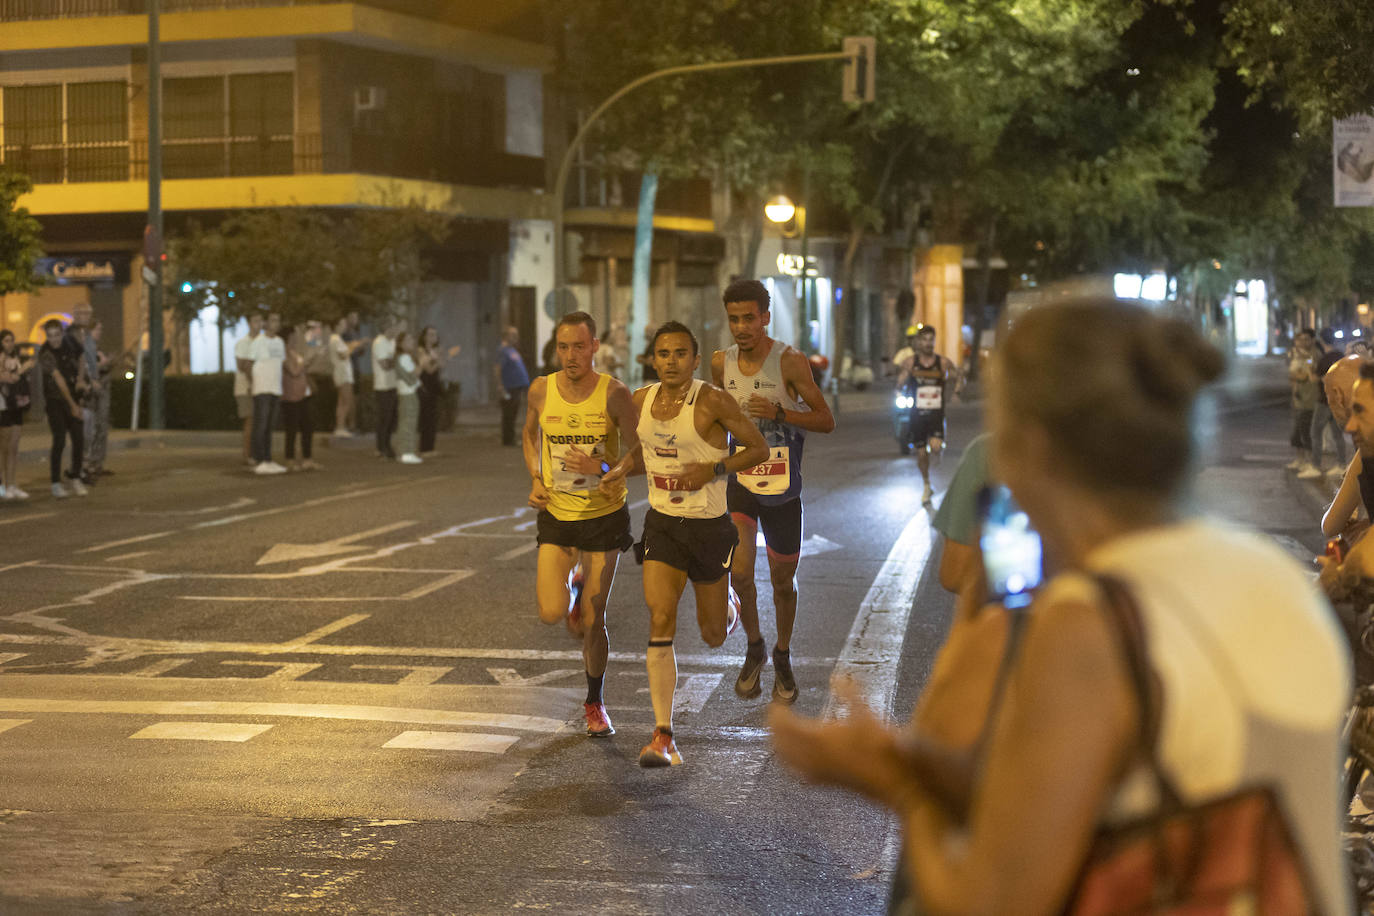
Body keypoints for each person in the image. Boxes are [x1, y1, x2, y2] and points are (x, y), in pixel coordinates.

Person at [771, 299, 1352, 916]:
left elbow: (987, 902)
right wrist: (909, 760)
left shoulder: (1091, 622)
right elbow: (1118, 788)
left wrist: (897, 785)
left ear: (1033, 446)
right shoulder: (1272, 575)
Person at [628, 320, 768, 767]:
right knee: (661, 615)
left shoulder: (711, 400)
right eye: (663, 354)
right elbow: (641, 449)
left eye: (680, 354)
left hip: (709, 528)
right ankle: (663, 735)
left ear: (693, 358)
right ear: (653, 359)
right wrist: (611, 467)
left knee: (711, 636)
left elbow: (758, 448)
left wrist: (713, 470)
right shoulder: (641, 400)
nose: (671, 362)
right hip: (663, 525)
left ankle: (730, 604)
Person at [710, 278, 835, 705]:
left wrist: (781, 412)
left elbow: (825, 419)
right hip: (741, 483)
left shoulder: (790, 361)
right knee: (740, 572)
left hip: (783, 490)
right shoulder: (718, 364)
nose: (741, 327)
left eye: (749, 318)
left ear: (766, 318)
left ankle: (782, 653)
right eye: (734, 319)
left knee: (783, 582)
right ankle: (755, 646)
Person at [522, 311, 639, 739]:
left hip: (603, 517)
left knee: (594, 620)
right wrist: (536, 478)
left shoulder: (615, 394)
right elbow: (530, 435)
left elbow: (640, 453)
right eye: (563, 347)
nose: (571, 355)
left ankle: (594, 702)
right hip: (556, 513)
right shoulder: (540, 390)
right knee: (551, 613)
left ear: (594, 347)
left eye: (579, 346)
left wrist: (603, 466)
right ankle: (571, 583)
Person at [896, 324, 961, 504]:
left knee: (936, 448)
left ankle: (938, 447)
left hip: (936, 415)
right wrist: (898, 392)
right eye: (924, 339)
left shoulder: (943, 363)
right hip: (917, 414)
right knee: (921, 454)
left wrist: (957, 392)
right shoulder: (910, 362)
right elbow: (900, 383)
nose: (928, 343)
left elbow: (958, 377)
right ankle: (926, 485)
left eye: (931, 339)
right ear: (918, 342)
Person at [38, 318, 88, 499]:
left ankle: (76, 477)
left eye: (57, 335)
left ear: (62, 333)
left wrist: (81, 379)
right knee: (59, 440)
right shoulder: (45, 353)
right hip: (56, 400)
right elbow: (59, 381)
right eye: (50, 336)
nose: (54, 339)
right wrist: (73, 406)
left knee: (78, 438)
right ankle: (55, 483)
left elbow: (82, 356)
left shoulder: (69, 341)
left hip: (73, 394)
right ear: (46, 336)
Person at [250, 312, 287, 475]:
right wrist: (253, 383)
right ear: (266, 323)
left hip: (275, 387)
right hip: (262, 388)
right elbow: (248, 363)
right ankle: (258, 459)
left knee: (270, 425)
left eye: (278, 320)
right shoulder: (259, 341)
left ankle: (268, 458)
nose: (276, 323)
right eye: (272, 320)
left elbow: (282, 363)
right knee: (261, 424)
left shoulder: (280, 342)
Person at [1308, 329, 1348, 479]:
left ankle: (1316, 465)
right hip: (1337, 400)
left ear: (1321, 340)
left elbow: (1314, 378)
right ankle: (1341, 464)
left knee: (1315, 432)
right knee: (1337, 433)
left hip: (1324, 400)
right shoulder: (1341, 356)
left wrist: (1310, 369)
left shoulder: (1324, 360)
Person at [0, 330, 35, 500]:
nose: (10, 344)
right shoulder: (1, 358)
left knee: (14, 447)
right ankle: (4, 485)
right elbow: (8, 378)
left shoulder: (16, 358)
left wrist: (22, 369)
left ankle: (12, 484)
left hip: (16, 404)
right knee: (4, 447)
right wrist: (22, 370)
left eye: (11, 340)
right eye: (6, 341)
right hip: (4, 405)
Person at [280, 324, 320, 472]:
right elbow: (294, 371)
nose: (297, 338)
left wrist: (311, 358)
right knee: (291, 429)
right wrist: (305, 361)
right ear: (289, 337)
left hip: (303, 394)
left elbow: (302, 369)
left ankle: (307, 459)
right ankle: (289, 459)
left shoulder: (294, 352)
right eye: (295, 335)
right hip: (290, 396)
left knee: (307, 426)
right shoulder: (283, 353)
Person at [83, 319, 113, 482]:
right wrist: (102, 364)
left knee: (101, 428)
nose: (100, 333)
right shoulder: (87, 349)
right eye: (97, 330)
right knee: (92, 429)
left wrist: (107, 363)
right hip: (92, 395)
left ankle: (97, 463)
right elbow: (89, 370)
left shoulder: (96, 348)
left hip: (102, 392)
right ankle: (89, 464)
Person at [1287, 327, 1319, 476]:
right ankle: (1300, 460)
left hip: (1309, 399)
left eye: (1306, 339)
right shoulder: (1298, 355)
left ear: (1313, 340)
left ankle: (1310, 462)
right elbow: (1293, 375)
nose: (1302, 342)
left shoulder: (1313, 355)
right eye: (1300, 339)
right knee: (1297, 433)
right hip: (1299, 399)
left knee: (1305, 432)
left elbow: (1305, 374)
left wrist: (1297, 373)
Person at [417, 326, 454, 455]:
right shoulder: (421, 351)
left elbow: (441, 366)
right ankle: (424, 448)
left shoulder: (435, 350)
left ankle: (431, 447)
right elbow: (428, 369)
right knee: (426, 417)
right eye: (431, 334)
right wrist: (438, 359)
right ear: (424, 336)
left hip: (434, 385)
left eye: (435, 335)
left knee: (433, 416)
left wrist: (442, 358)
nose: (433, 337)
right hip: (425, 384)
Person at [234, 313, 264, 466]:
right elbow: (243, 366)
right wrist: (253, 384)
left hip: (260, 387)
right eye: (255, 321)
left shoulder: (262, 342)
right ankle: (247, 454)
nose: (258, 324)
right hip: (246, 388)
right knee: (250, 421)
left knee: (258, 421)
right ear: (249, 323)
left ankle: (256, 453)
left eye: (260, 321)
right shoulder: (244, 343)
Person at [329, 316, 366, 438]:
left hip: (343, 373)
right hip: (343, 374)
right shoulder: (335, 339)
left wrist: (353, 345)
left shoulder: (337, 339)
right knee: (346, 401)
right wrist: (355, 346)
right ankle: (340, 426)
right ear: (336, 326)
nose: (345, 326)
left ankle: (341, 426)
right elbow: (344, 354)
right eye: (342, 324)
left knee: (342, 401)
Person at [372, 315, 401, 460]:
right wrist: (398, 359)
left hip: (393, 384)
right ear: (386, 327)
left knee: (392, 419)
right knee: (384, 418)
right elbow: (385, 365)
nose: (396, 329)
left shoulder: (393, 342)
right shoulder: (379, 342)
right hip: (383, 385)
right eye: (393, 326)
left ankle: (387, 445)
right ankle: (381, 447)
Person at [495, 326, 530, 447]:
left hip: (517, 387)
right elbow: (498, 368)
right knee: (508, 413)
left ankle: (510, 437)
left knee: (513, 412)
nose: (516, 337)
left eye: (516, 335)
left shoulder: (512, 350)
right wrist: (500, 386)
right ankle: (508, 439)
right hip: (509, 386)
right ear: (506, 336)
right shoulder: (503, 350)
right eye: (513, 335)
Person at [394, 330, 423, 465]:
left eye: (412, 339)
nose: (412, 342)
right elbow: (414, 374)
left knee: (405, 422)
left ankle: (404, 452)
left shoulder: (402, 357)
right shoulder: (404, 357)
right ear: (401, 344)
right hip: (408, 394)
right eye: (408, 340)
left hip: (405, 393)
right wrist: (422, 362)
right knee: (409, 422)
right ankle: (407, 452)